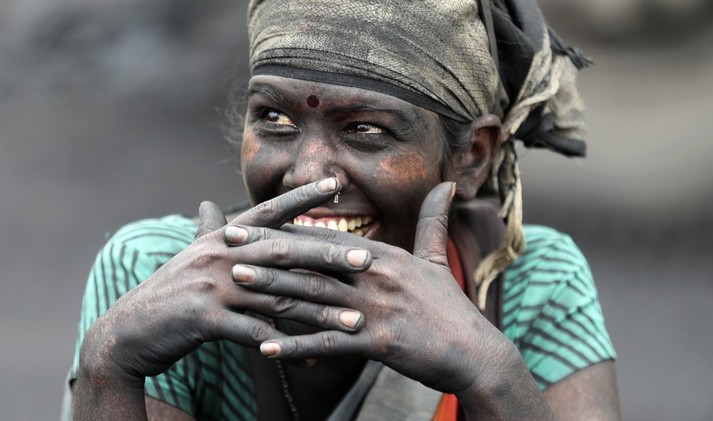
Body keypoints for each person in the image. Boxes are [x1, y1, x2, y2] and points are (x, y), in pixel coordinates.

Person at [67, 0, 620, 419]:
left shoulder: (526, 284)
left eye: (365, 130)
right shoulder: (155, 278)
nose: (308, 175)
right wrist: (109, 363)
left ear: (471, 157)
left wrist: (489, 372)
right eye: (276, 119)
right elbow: (113, 364)